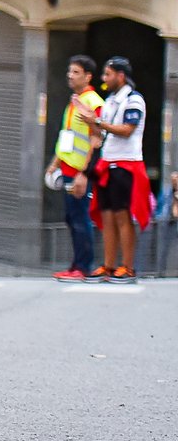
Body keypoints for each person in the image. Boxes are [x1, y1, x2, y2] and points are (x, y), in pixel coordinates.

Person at [87, 56, 151, 283]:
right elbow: (101, 134)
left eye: (108, 74)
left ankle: (128, 266)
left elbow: (127, 129)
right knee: (106, 215)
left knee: (122, 215)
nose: (104, 79)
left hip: (126, 163)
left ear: (120, 76)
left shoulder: (134, 100)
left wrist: (99, 123)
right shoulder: (110, 100)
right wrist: (92, 124)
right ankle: (108, 264)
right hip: (107, 161)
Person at [50, 55, 106, 281]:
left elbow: (97, 138)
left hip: (79, 171)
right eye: (69, 71)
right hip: (67, 168)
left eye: (75, 72)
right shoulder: (75, 100)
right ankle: (76, 265)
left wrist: (84, 173)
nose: (70, 76)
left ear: (88, 76)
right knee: (72, 217)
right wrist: (55, 162)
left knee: (80, 218)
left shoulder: (93, 102)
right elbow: (68, 135)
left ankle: (83, 268)